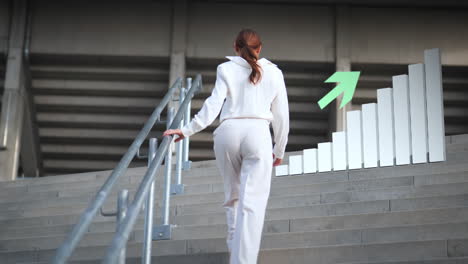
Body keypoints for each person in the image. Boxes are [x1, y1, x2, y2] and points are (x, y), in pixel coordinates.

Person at [162, 28, 289, 264]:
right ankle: (243, 261)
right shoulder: (274, 73)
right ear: (260, 48)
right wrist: (278, 149)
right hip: (258, 133)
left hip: (228, 132)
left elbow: (213, 106)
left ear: (235, 47)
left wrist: (186, 130)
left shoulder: (225, 68)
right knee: (253, 203)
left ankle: (234, 252)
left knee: (233, 197)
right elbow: (281, 115)